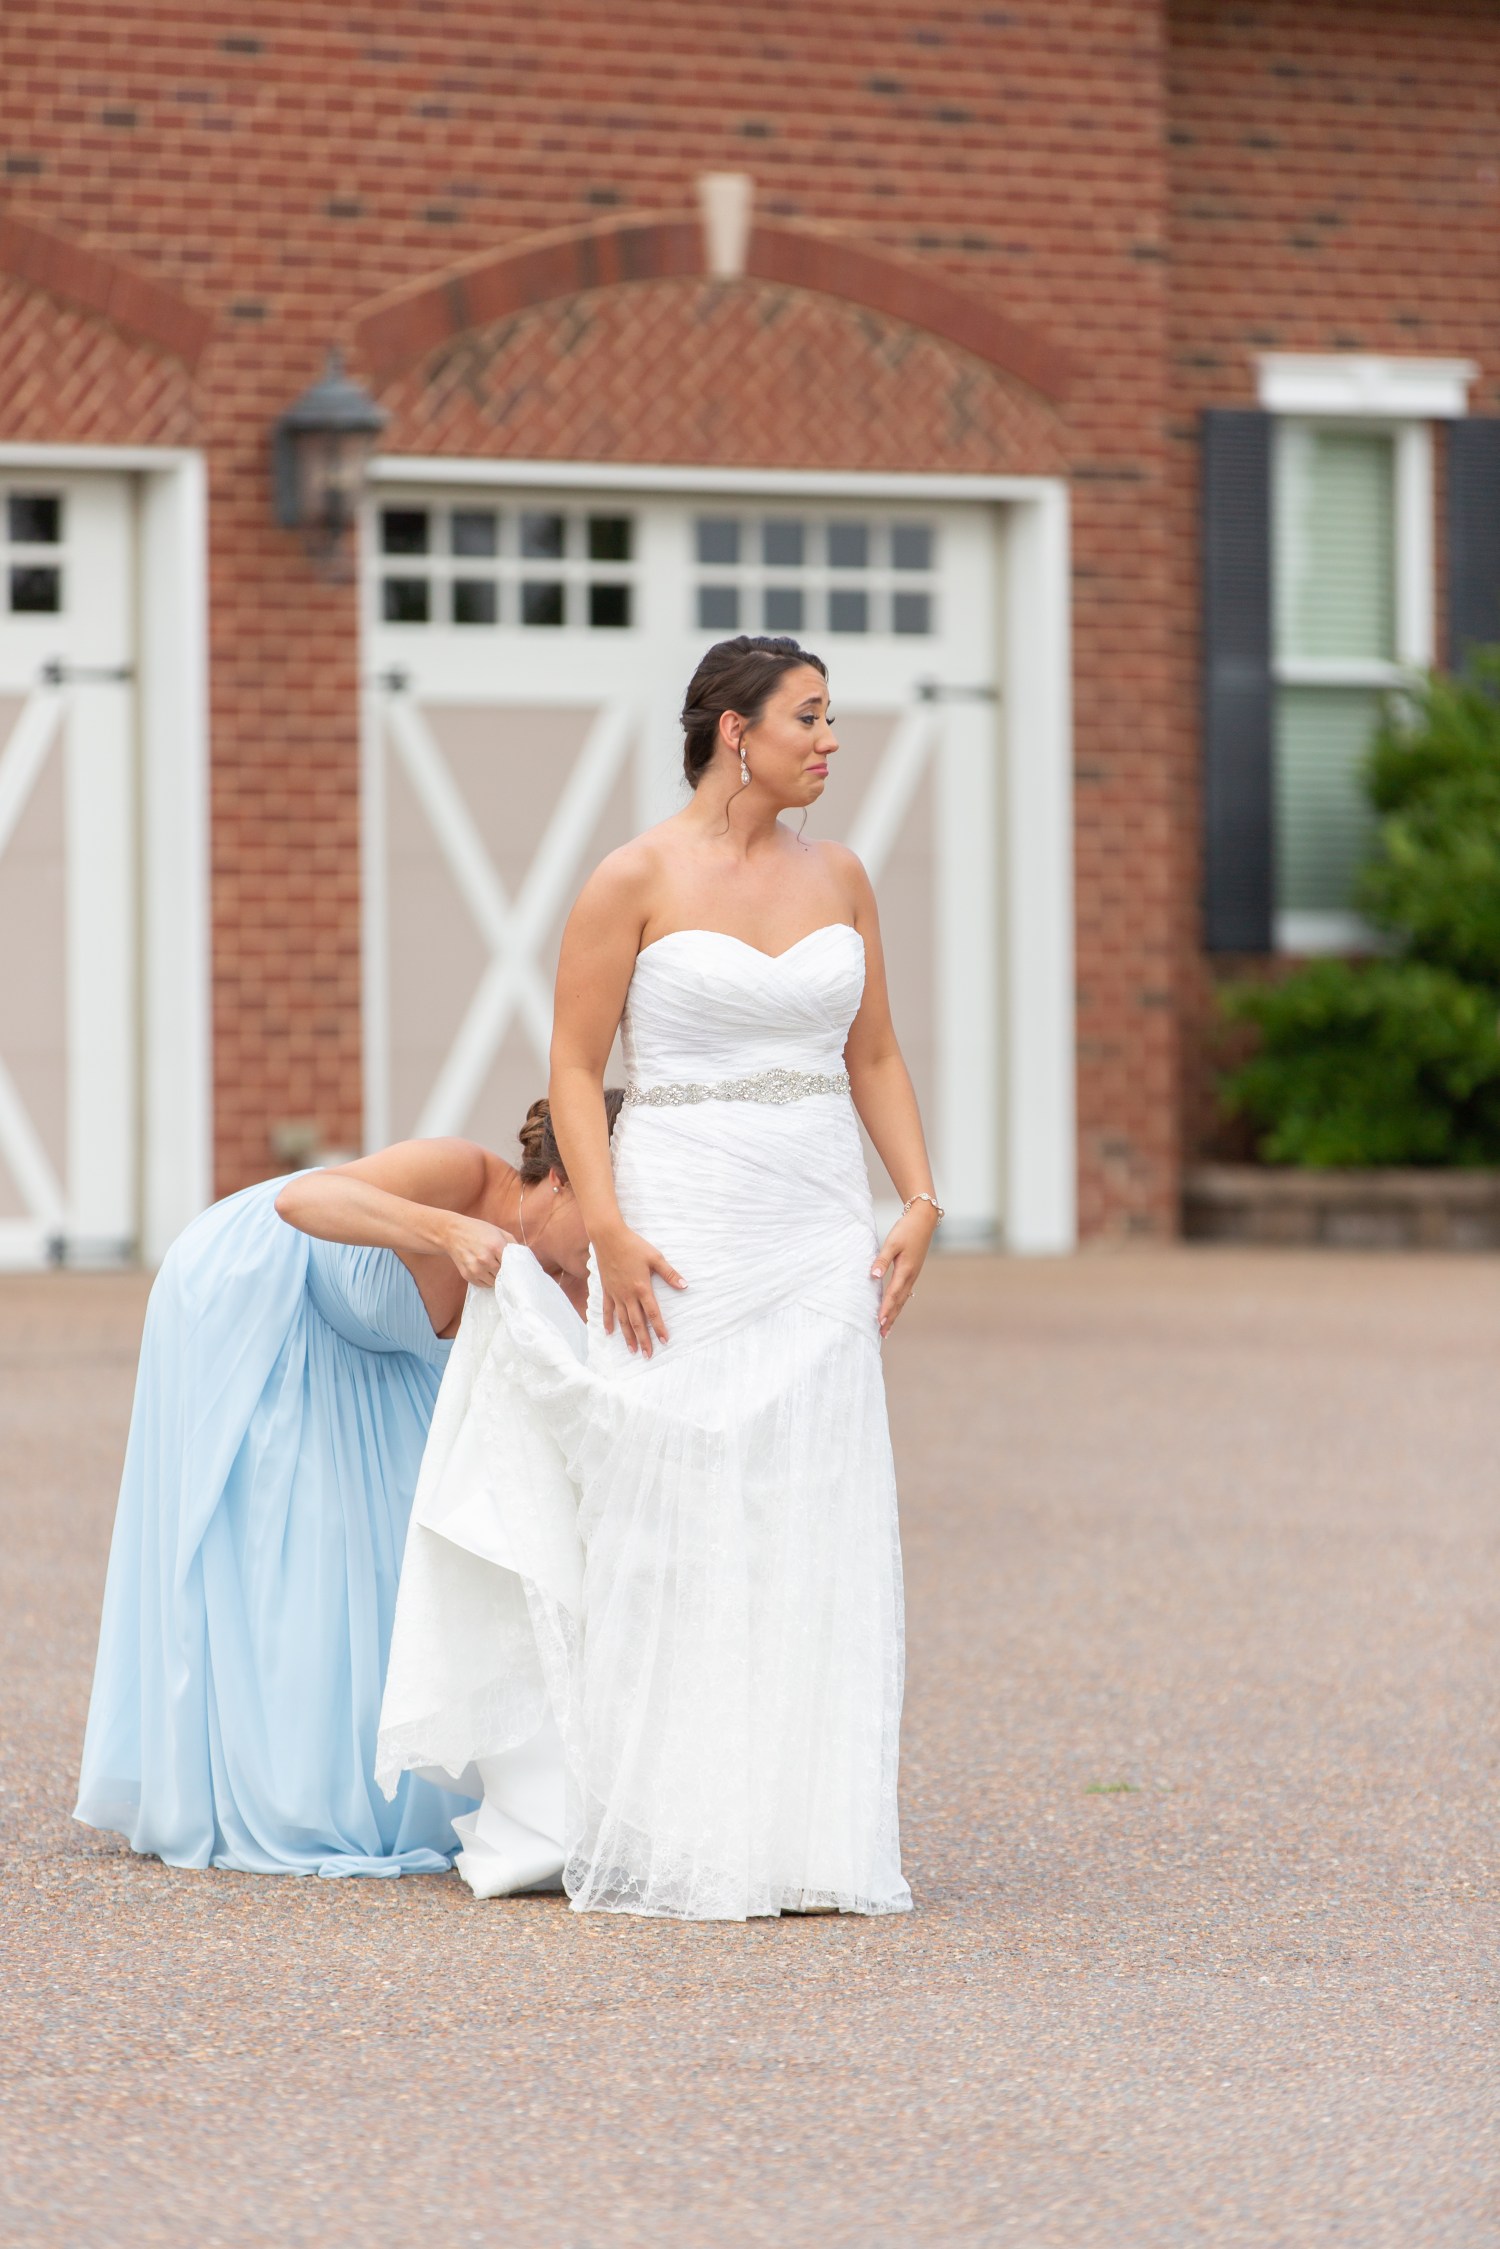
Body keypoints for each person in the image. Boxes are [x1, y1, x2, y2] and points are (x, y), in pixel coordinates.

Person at [377, 635, 941, 1918]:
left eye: (832, 718)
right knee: (671, 1499)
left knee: (809, 1497)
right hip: (684, 1215)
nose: (832, 742)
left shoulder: (844, 875)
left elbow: (875, 1055)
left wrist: (918, 1197)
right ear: (736, 731)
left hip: (815, 1223)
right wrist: (612, 1223)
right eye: (810, 718)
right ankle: (671, 1819)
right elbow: (576, 1068)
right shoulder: (631, 876)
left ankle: (805, 1833)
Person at [73, 1097, 616, 1876]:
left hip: (372, 1356)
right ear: (561, 1181)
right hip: (255, 1289)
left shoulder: (575, 1276)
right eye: (604, 1215)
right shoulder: (464, 1174)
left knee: (395, 1565)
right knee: (276, 1553)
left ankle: (376, 1787)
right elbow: (304, 1198)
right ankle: (250, 1786)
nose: (606, 1246)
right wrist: (447, 1230)